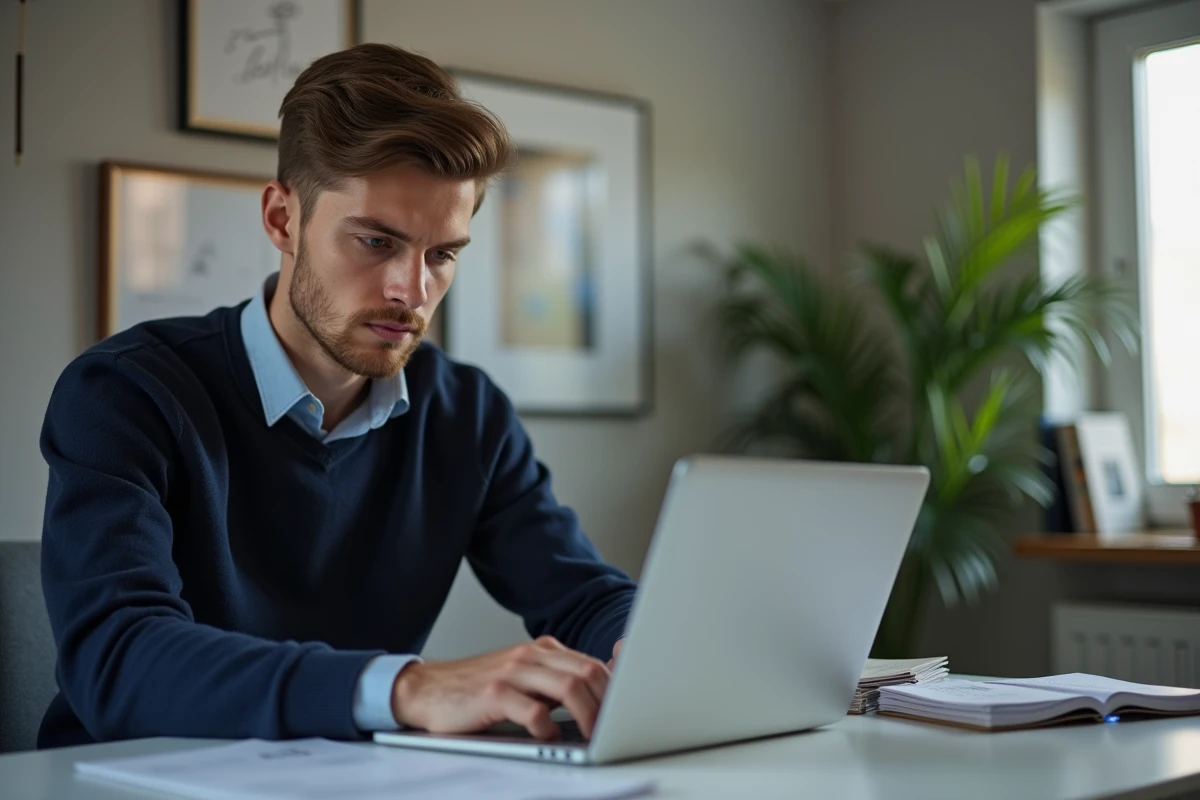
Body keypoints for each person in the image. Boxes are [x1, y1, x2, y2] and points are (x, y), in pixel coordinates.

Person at [37, 43, 636, 749]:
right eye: (377, 241)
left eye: (442, 254)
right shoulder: (125, 393)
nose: (411, 291)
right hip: (128, 779)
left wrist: (646, 648)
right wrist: (407, 687)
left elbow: (584, 596)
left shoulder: (467, 415)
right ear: (282, 220)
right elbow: (117, 658)